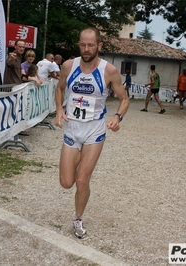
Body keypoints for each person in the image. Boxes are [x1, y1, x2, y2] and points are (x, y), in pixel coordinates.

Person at [54, 27, 129, 239]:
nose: (86, 49)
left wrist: (117, 117)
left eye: (91, 45)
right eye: (83, 45)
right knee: (66, 182)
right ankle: (77, 161)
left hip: (94, 130)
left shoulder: (109, 71)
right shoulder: (69, 66)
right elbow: (59, 89)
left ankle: (78, 219)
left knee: (81, 181)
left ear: (99, 46)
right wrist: (59, 108)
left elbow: (124, 99)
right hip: (72, 128)